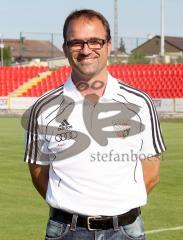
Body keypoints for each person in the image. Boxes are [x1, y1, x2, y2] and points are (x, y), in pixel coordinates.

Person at [24, 9, 166, 240]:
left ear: (109, 45)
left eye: (94, 41)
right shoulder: (43, 107)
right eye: (76, 42)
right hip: (66, 231)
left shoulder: (140, 103)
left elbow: (151, 172)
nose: (86, 50)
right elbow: (39, 173)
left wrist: (115, 211)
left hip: (126, 231)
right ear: (65, 48)